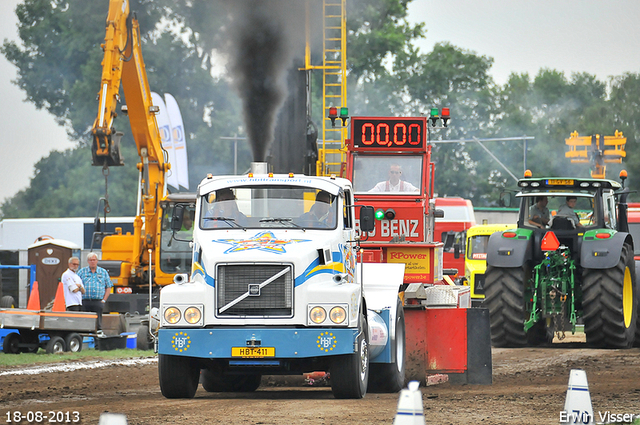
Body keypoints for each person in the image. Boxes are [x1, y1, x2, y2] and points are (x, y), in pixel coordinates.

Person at [78, 252, 113, 332]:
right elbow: (76, 285)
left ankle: (97, 342)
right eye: (90, 260)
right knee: (84, 322)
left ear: (97, 261)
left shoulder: (103, 272)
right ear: (88, 261)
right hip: (85, 301)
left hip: (98, 301)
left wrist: (104, 300)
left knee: (98, 324)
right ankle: (84, 340)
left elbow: (108, 286)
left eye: (94, 260)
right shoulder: (82, 272)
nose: (92, 262)